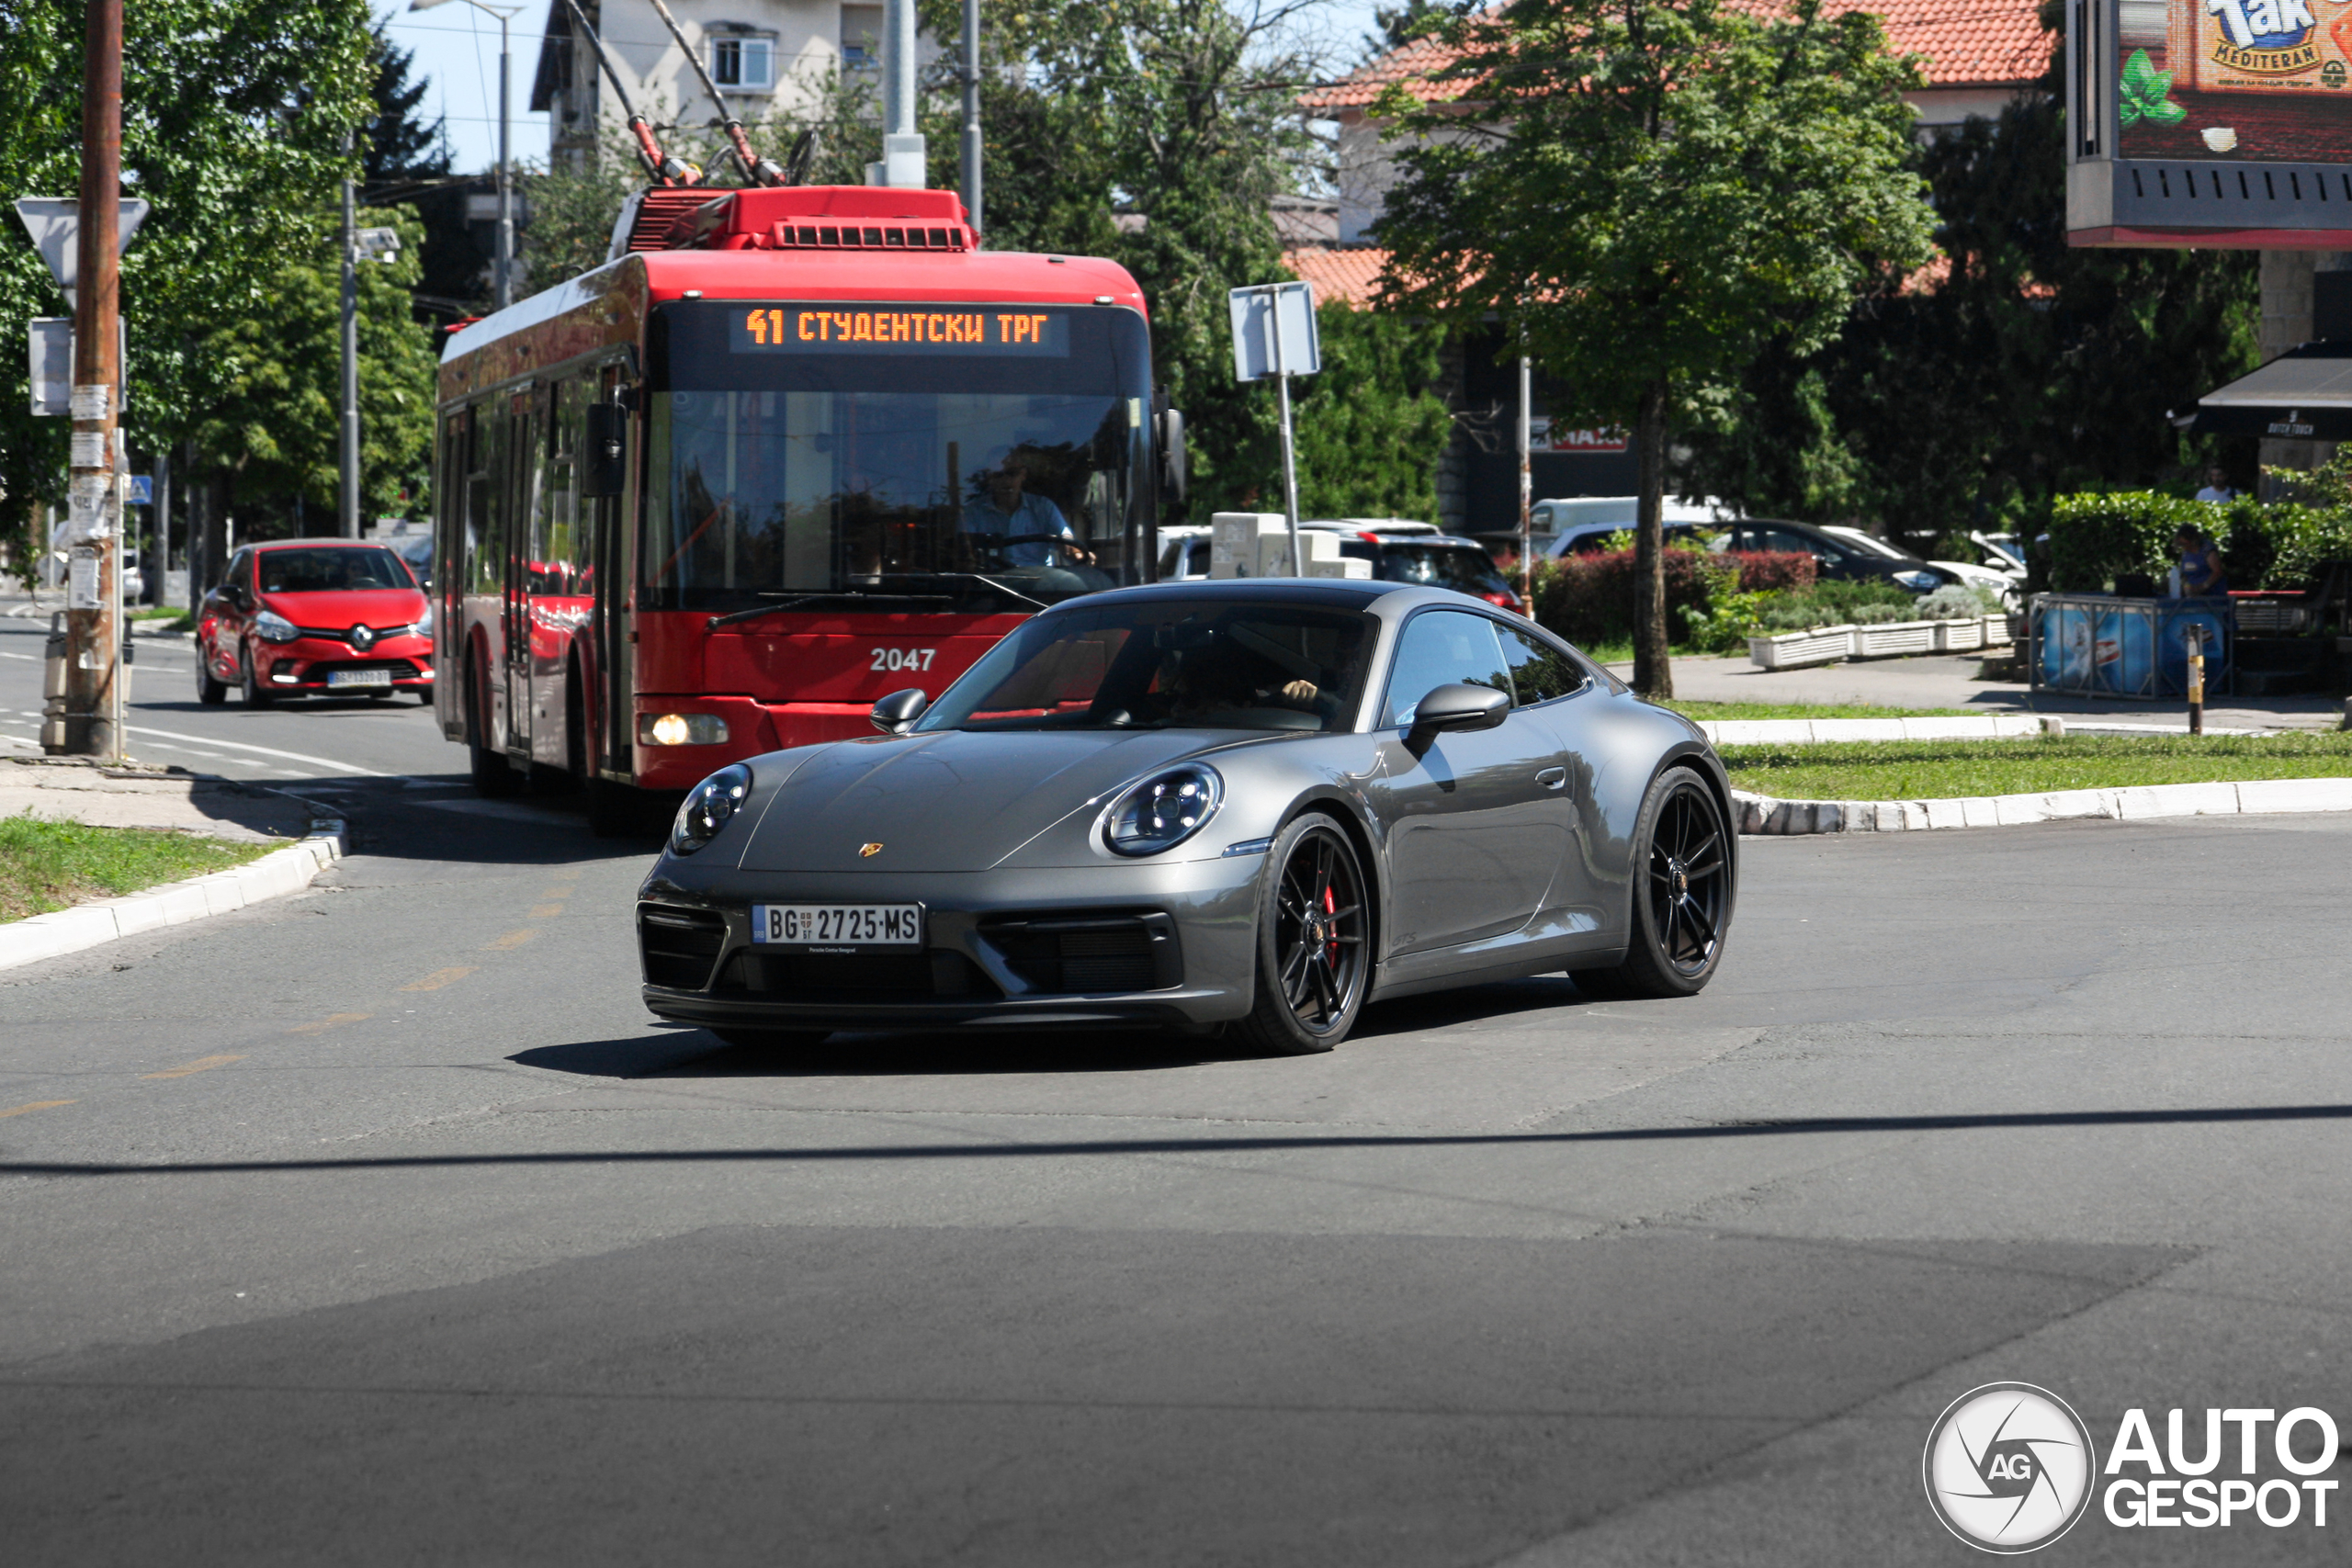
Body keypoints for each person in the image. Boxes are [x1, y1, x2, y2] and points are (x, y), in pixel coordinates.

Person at [960, 448, 1087, 568]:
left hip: (1038, 582)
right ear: (989, 478)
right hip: (993, 583)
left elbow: (1066, 543)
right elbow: (966, 555)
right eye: (998, 475)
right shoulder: (973, 512)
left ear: (1023, 474)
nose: (1006, 480)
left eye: (1012, 473)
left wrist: (1079, 555)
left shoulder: (1043, 507)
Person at [2175, 525, 2228, 597]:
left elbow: (2218, 572)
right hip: (2193, 597)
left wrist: (2203, 587)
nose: (2184, 547)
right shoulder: (2185, 553)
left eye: (2185, 544)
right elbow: (2185, 574)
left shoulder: (2207, 550)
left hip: (2212, 597)